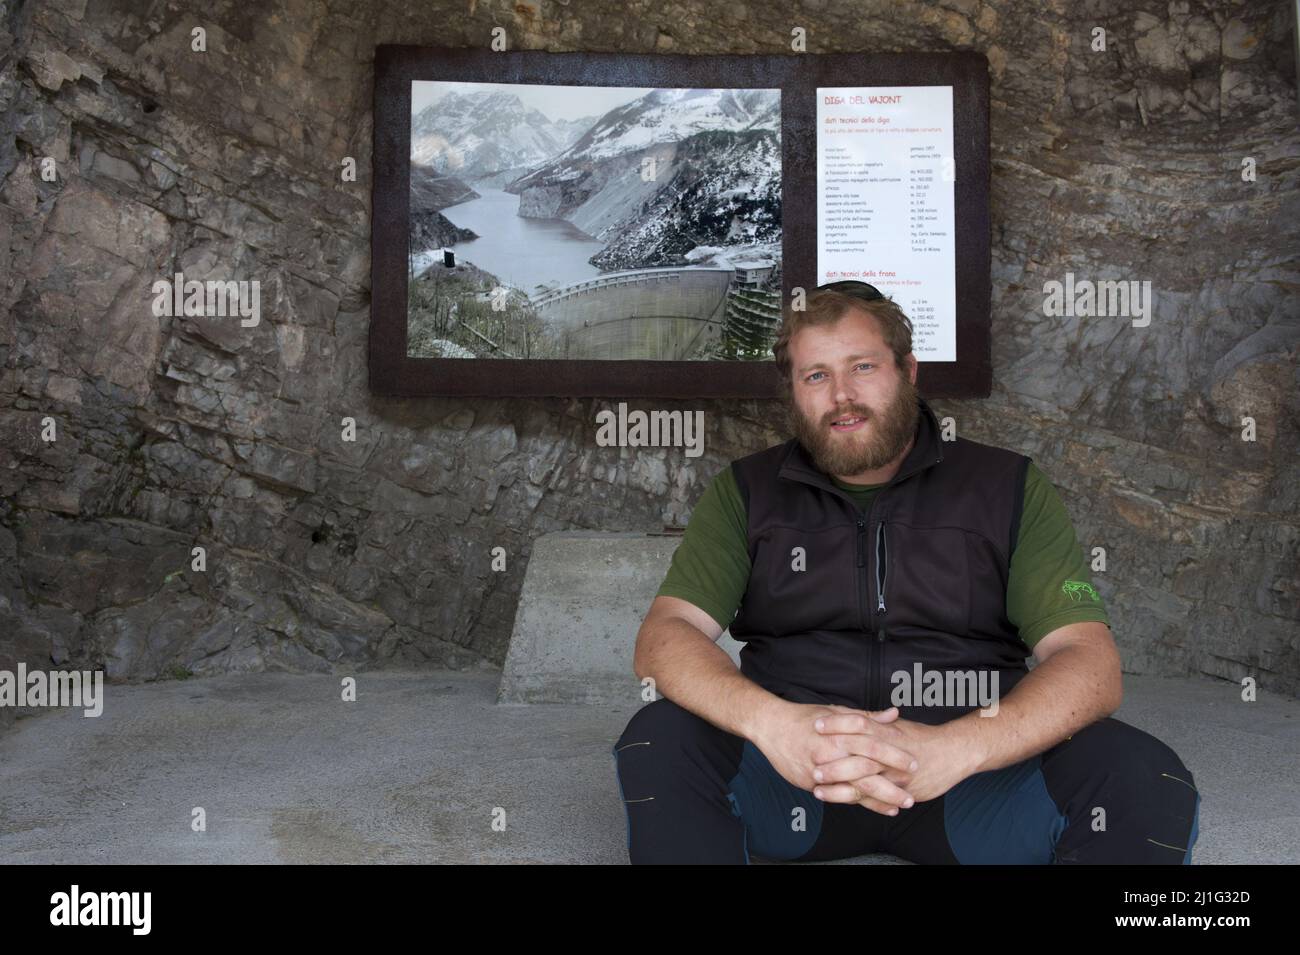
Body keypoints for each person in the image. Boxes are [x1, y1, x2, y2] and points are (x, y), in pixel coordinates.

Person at [611, 282, 1201, 864]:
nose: (842, 395)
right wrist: (776, 725)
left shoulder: (1004, 485)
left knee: (1141, 774)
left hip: (972, 783)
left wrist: (957, 748)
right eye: (815, 375)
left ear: (908, 370)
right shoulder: (747, 490)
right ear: (793, 392)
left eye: (862, 366)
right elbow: (666, 636)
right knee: (660, 738)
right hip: (798, 778)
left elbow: (1090, 663)